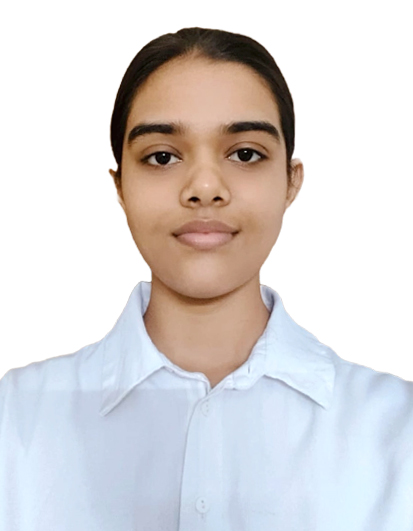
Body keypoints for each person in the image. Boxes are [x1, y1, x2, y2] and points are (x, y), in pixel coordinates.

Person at [0, 27, 412, 531]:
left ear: (291, 181)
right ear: (120, 186)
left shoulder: (398, 429)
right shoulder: (16, 420)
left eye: (245, 154)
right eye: (162, 156)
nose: (204, 188)